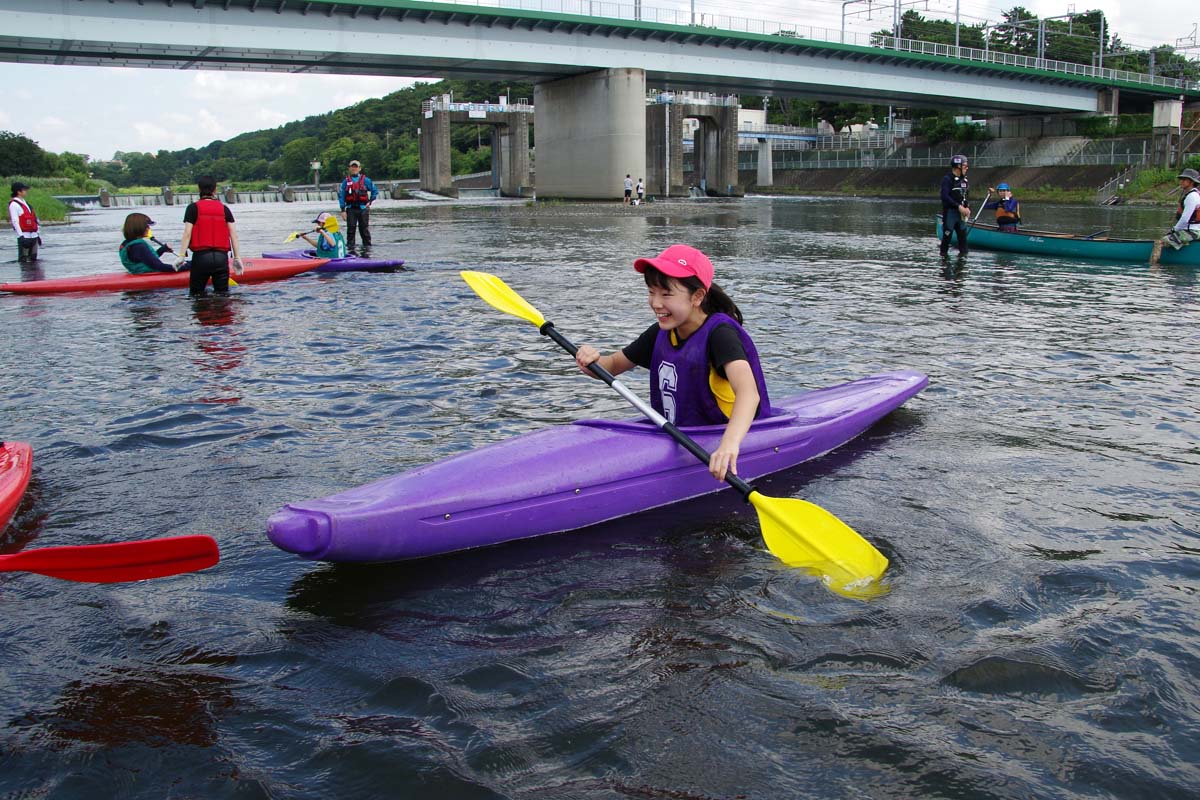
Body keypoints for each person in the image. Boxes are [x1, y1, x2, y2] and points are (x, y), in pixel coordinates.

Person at [573, 244, 773, 481]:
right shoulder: (660, 333)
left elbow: (749, 394)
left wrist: (728, 445)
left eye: (666, 294)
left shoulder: (720, 335)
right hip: (678, 435)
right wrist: (591, 361)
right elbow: (613, 365)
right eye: (651, 291)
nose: (656, 303)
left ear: (697, 296)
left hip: (732, 436)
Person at [177, 175, 243, 296]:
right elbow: (233, 235)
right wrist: (237, 258)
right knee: (222, 295)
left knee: (197, 295)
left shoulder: (192, 208)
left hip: (201, 258)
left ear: (199, 189)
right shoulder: (225, 209)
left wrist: (181, 256)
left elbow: (187, 233)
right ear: (215, 190)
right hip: (221, 259)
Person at [1152, 168, 1200, 265]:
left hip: (1191, 232)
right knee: (1167, 237)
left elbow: (1185, 219)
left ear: (1191, 182)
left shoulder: (1192, 196)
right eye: (1181, 179)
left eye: (1184, 179)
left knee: (1159, 242)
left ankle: (1153, 269)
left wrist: (1174, 230)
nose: (1181, 181)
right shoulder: (1192, 194)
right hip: (1191, 231)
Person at [338, 159, 378, 252]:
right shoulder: (345, 182)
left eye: (356, 167)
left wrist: (370, 201)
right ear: (349, 168)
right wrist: (342, 210)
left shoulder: (366, 180)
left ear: (359, 168)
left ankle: (367, 250)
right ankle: (351, 251)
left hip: (363, 209)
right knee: (351, 231)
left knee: (364, 230)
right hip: (351, 209)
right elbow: (341, 196)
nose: (354, 168)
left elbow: (375, 191)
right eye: (352, 167)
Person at [939, 154, 971, 256]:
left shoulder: (964, 180)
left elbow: (965, 197)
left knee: (963, 241)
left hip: (961, 216)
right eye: (965, 166)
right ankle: (944, 265)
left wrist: (967, 208)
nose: (967, 168)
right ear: (958, 167)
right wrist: (958, 206)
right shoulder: (947, 179)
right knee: (947, 239)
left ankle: (962, 268)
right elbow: (944, 196)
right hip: (950, 214)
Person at [8, 182, 41, 263]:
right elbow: (15, 222)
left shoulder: (26, 204)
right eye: (24, 190)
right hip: (24, 236)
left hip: (33, 235)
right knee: (24, 261)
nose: (26, 191)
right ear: (18, 192)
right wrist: (21, 237)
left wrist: (38, 234)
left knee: (33, 260)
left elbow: (34, 220)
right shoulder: (14, 205)